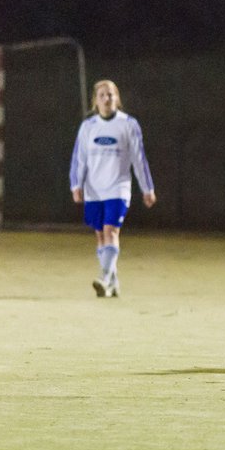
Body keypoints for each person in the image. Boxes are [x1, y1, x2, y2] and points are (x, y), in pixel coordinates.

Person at [69, 80, 156, 297]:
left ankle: (104, 277)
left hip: (118, 188)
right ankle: (113, 283)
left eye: (111, 95)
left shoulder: (128, 124)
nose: (107, 99)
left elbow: (139, 159)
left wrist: (147, 188)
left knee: (111, 231)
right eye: (102, 95)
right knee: (100, 236)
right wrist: (76, 184)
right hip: (94, 189)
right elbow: (79, 158)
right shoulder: (88, 127)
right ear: (95, 101)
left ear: (117, 98)